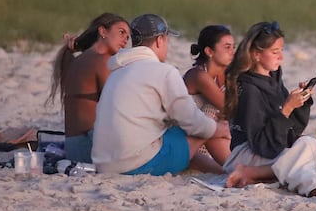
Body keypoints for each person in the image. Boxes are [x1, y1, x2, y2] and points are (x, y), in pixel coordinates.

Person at [92, 14, 231, 175]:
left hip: (105, 165)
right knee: (205, 125)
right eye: (167, 40)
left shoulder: (117, 72)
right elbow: (193, 122)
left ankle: (222, 171)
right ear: (160, 40)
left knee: (179, 133)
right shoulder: (164, 72)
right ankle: (232, 170)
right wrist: (219, 129)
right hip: (136, 164)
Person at [223, 20, 312, 168]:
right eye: (275, 52)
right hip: (247, 154)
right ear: (257, 55)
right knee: (305, 152)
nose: (281, 57)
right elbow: (262, 145)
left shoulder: (273, 80)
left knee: (311, 146)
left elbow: (292, 129)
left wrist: (301, 101)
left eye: (282, 50)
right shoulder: (249, 89)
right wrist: (287, 108)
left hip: (268, 148)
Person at [48, 13, 130, 162]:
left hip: (73, 147)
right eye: (121, 32)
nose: (125, 40)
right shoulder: (102, 61)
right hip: (90, 146)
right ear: (103, 31)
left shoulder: (79, 60)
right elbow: (119, 105)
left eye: (128, 37)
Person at [183, 24, 235, 166]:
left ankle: (234, 166)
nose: (232, 52)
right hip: (188, 141)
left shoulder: (224, 76)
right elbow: (229, 107)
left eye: (233, 47)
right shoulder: (198, 75)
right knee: (213, 112)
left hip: (209, 137)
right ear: (209, 51)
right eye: (227, 47)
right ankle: (233, 167)